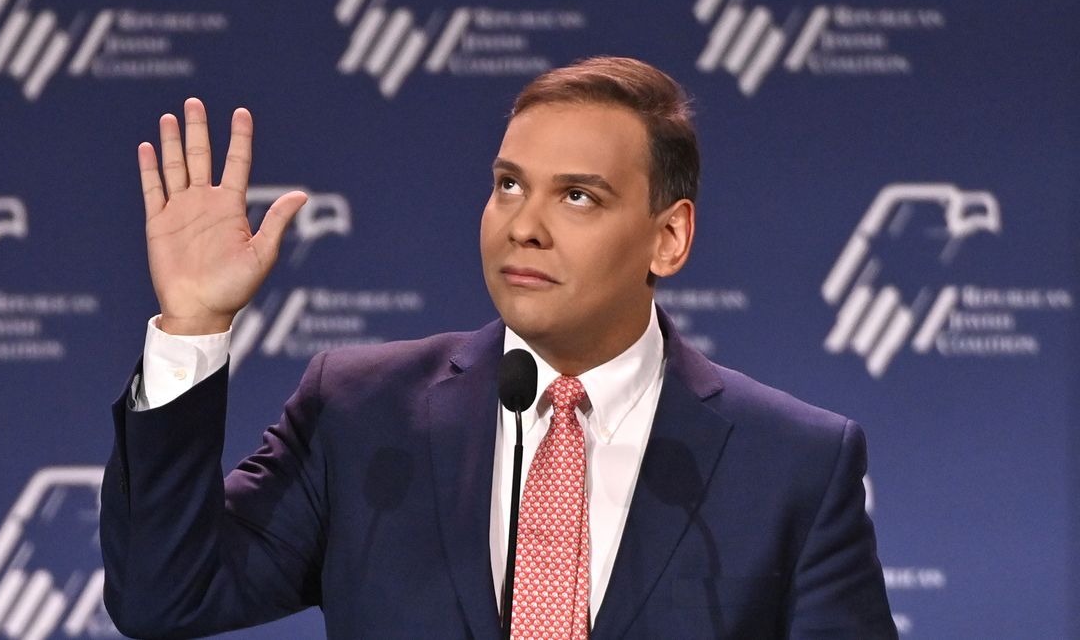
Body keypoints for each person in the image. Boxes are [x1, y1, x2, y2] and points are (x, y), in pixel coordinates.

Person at [101, 57, 897, 639]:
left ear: (668, 236)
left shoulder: (794, 464)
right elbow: (163, 595)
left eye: (577, 195)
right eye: (509, 184)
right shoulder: (361, 414)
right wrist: (195, 323)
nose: (524, 224)